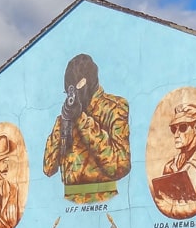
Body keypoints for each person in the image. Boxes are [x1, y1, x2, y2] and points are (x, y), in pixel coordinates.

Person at [43, 53, 131, 204]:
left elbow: (119, 165)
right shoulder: (67, 114)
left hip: (104, 198)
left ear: (88, 83)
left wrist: (82, 120)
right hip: (70, 202)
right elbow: (48, 168)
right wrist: (63, 122)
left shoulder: (114, 107)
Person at [153, 102, 196, 218]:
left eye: (183, 128)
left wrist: (171, 206)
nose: (176, 135)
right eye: (174, 129)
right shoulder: (170, 166)